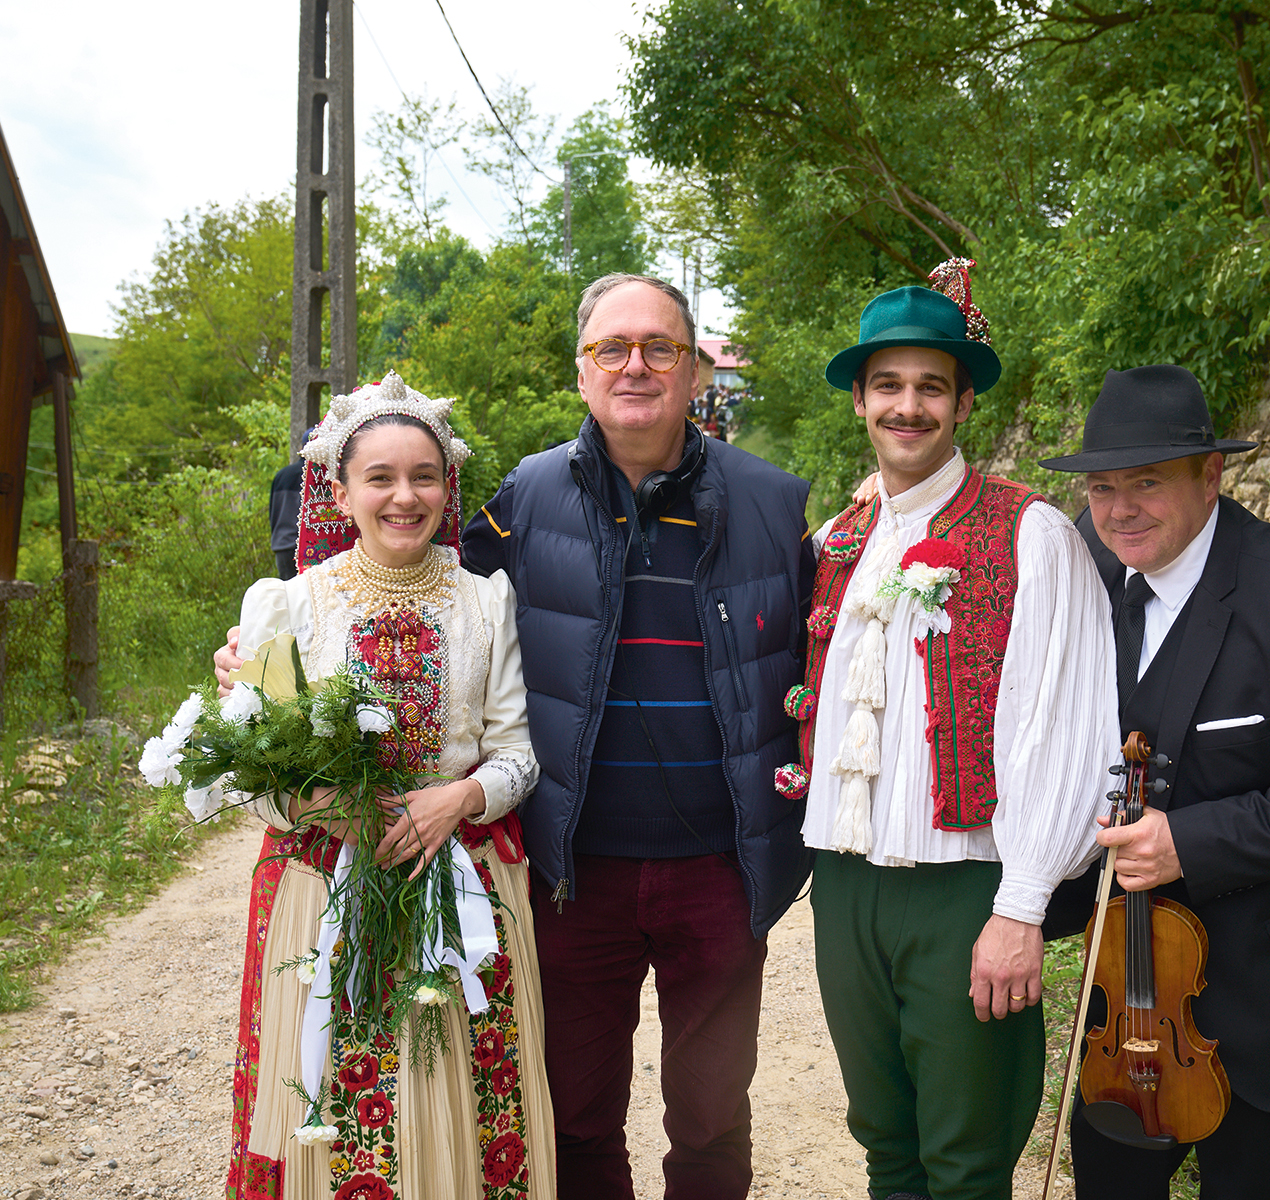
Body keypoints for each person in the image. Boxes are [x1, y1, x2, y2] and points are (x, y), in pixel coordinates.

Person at [457, 274, 813, 1199]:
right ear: (581, 372)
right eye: (611, 348)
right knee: (577, 1120)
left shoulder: (778, 504)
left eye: (661, 347)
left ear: (695, 371)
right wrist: (278, 636)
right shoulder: (527, 496)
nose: (637, 366)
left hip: (719, 872)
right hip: (574, 872)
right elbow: (428, 607)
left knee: (709, 1121)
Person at [1039, 364, 1270, 1200]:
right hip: (1132, 1000)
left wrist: (1188, 840)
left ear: (1211, 475)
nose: (1120, 510)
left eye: (1148, 481)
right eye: (1103, 487)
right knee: (1109, 1185)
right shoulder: (1087, 572)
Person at [796, 266, 1117, 1200]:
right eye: (887, 386)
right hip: (845, 883)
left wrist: (1019, 908)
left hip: (965, 889)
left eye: (930, 386)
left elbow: (1065, 725)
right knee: (885, 1144)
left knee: (967, 1159)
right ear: (859, 400)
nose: (908, 406)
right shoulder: (838, 541)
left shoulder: (1034, 533)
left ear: (964, 400)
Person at [223, 373, 556, 1198]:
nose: (404, 497)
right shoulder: (288, 607)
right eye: (380, 477)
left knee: (470, 1103)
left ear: (450, 489)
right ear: (339, 490)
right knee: (339, 1102)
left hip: (466, 891)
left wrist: (459, 798)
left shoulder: (487, 602)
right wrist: (328, 807)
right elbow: (251, 770)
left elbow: (516, 754)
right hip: (323, 888)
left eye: (424, 477)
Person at [267, 445, 303, 581]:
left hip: (283, 545)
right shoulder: (319, 477)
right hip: (310, 549)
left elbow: (273, 512)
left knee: (289, 597)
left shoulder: (282, 475)